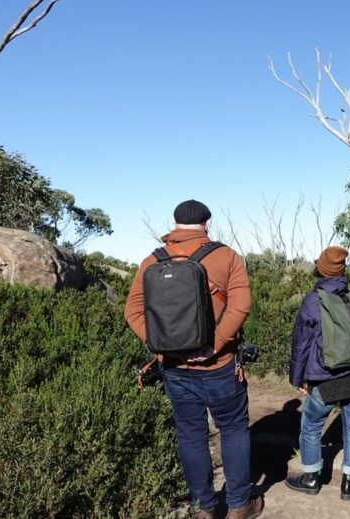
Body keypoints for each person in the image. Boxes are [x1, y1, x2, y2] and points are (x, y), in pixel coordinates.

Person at [124, 199, 263, 519]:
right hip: (221, 367)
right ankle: (240, 505)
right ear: (206, 224)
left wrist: (161, 344)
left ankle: (203, 509)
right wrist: (213, 346)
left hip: (174, 369)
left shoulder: (151, 261)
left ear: (174, 225)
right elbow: (240, 306)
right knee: (233, 431)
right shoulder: (226, 256)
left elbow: (132, 310)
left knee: (190, 436)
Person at [284, 246, 350, 501]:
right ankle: (349, 483)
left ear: (321, 270)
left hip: (328, 378)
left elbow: (301, 343)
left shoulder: (314, 301)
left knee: (312, 424)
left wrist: (297, 378)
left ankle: (312, 477)